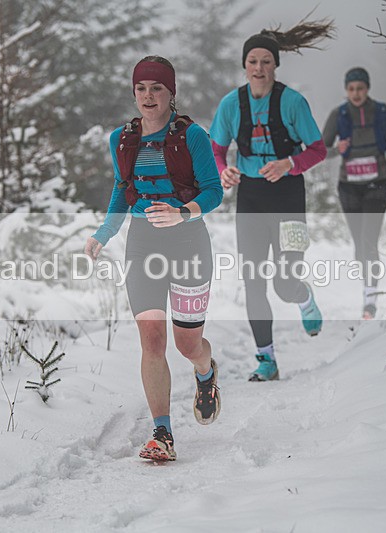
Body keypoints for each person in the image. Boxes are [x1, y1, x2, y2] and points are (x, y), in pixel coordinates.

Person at [85, 56, 224, 462]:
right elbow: (121, 189)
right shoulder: (122, 139)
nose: (148, 96)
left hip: (188, 242)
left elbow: (213, 190)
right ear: (134, 93)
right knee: (152, 339)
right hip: (143, 243)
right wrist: (103, 233)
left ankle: (206, 372)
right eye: (141, 88)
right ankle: (162, 433)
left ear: (170, 93)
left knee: (187, 344)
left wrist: (183, 212)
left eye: (156, 88)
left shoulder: (192, 136)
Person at [210, 22, 333, 382]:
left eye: (266, 61)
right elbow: (216, 150)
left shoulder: (293, 102)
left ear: (275, 65)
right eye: (253, 61)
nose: (259, 68)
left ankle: (302, 295)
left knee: (283, 283)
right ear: (244, 65)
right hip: (250, 196)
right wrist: (224, 171)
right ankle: (267, 359)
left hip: (289, 196)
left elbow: (318, 149)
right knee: (253, 281)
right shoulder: (231, 104)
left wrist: (289, 163)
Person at [321, 67, 386, 320]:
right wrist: (337, 149)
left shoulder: (383, 111)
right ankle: (369, 284)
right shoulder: (338, 115)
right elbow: (321, 150)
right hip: (349, 187)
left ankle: (370, 300)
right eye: (351, 89)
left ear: (367, 88)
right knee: (360, 245)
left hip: (378, 183)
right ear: (346, 91)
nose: (356, 93)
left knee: (369, 240)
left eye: (360, 88)